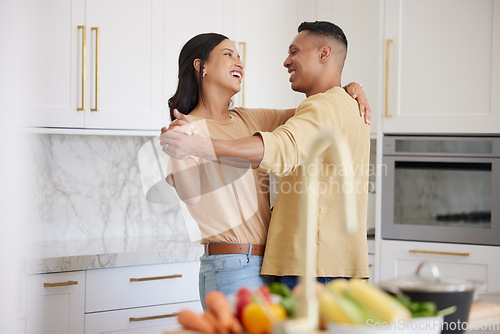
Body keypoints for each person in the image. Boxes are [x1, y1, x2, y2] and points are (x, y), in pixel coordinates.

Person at [162, 30, 371, 304]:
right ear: (202, 66)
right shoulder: (185, 131)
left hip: (265, 264)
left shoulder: (250, 119)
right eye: (228, 55)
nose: (239, 62)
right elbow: (191, 196)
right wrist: (182, 148)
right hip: (231, 264)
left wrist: (351, 88)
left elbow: (316, 111)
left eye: (240, 56)